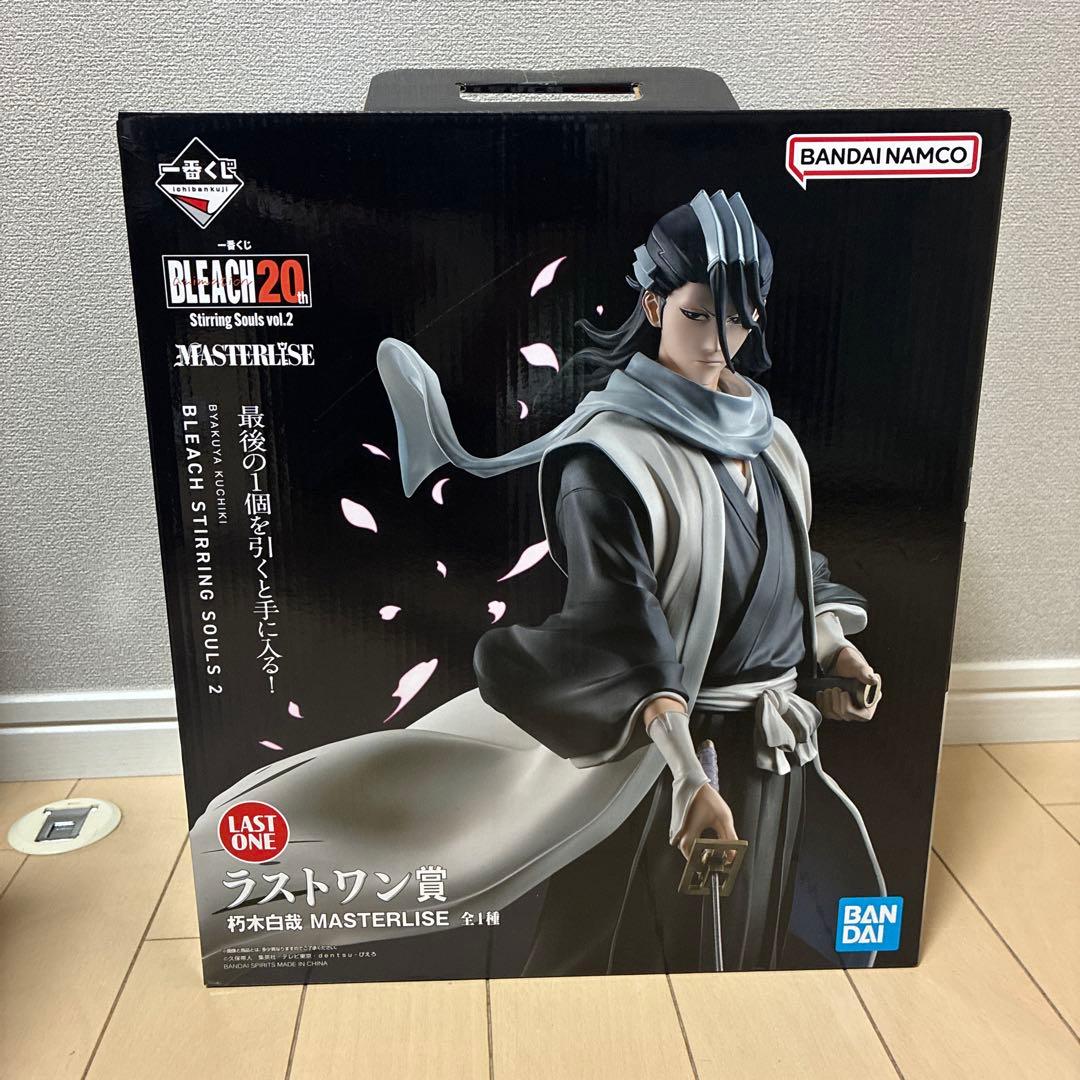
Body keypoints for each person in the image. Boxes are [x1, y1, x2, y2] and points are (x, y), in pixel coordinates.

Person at [187, 188, 886, 979]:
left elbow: (795, 572)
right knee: (635, 953)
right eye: (699, 315)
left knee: (752, 945)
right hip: (666, 758)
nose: (719, 342)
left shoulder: (774, 442)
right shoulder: (611, 459)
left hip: (774, 749)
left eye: (739, 319)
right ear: (654, 304)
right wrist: (689, 777)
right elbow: (621, 627)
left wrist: (834, 651)